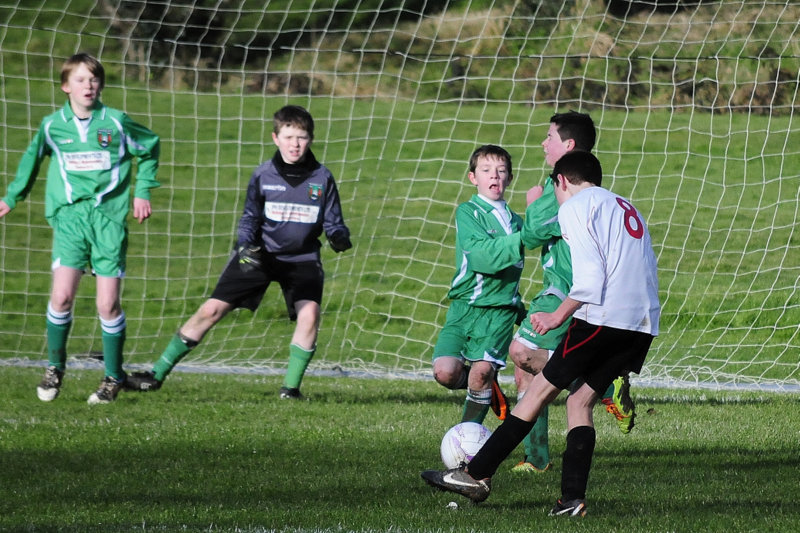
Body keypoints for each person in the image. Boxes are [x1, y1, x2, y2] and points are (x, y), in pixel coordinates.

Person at [422, 150, 661, 518]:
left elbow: (591, 279)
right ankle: (571, 501)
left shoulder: (576, 206)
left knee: (537, 392)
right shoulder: (623, 204)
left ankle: (475, 474)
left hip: (603, 319)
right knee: (579, 401)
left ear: (560, 182)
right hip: (641, 324)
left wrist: (555, 317)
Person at [125, 105, 351, 399]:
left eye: (302, 137)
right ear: (275, 137)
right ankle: (155, 376)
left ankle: (290, 390)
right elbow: (249, 218)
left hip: (302, 259)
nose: (295, 144)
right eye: (289, 136)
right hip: (260, 254)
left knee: (310, 314)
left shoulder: (322, 178)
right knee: (211, 309)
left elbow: (334, 222)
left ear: (311, 139)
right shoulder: (263, 175)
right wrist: (245, 246)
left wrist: (338, 236)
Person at [0, 52, 161, 404]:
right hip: (70, 219)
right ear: (65, 86)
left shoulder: (116, 122)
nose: (88, 85)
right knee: (61, 296)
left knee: (107, 305)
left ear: (100, 85)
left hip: (108, 220)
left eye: (94, 79)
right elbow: (32, 157)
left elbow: (149, 147)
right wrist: (13, 196)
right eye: (80, 79)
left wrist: (142, 192)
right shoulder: (52, 126)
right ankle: (55, 367)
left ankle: (113, 377)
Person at [509, 111, 635, 474]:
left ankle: (600, 385)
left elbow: (531, 235)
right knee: (525, 375)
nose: (542, 143)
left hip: (564, 287)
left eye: (549, 136)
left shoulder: (559, 186)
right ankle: (537, 459)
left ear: (568, 145)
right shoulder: (577, 182)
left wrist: (533, 204)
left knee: (521, 351)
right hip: (566, 285)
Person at [430, 144, 525, 427]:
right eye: (486, 170)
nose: (494, 176)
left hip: (498, 311)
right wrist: (524, 239)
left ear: (509, 178)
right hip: (463, 307)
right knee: (445, 373)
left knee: (480, 371)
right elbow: (483, 259)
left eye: (501, 170)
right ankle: (487, 388)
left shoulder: (519, 223)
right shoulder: (468, 212)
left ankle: (468, 444)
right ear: (473, 178)